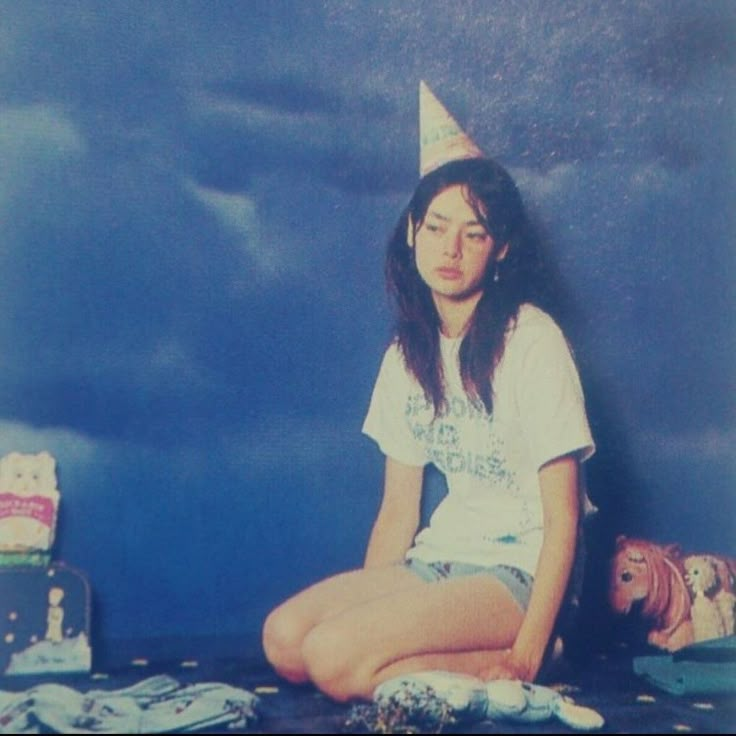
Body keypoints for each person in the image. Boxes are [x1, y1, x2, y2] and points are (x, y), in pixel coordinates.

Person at [262, 81, 594, 703]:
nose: (450, 248)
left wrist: (525, 654)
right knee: (287, 641)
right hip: (435, 564)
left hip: (515, 575)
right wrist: (367, 621)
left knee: (335, 663)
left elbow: (564, 517)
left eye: (474, 233)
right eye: (437, 226)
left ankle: (543, 650)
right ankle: (410, 659)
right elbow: (397, 511)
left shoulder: (532, 341)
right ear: (412, 231)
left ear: (501, 249)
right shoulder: (407, 353)